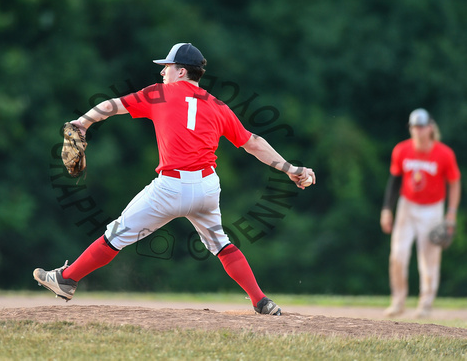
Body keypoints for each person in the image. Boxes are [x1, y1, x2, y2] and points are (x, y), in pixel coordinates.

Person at [34, 43, 315, 315]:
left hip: (170, 188)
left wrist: (82, 122)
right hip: (206, 187)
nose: (162, 72)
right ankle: (261, 301)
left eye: (167, 67)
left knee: (116, 234)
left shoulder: (160, 93)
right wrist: (290, 168)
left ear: (182, 71)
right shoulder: (218, 106)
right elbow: (253, 142)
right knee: (221, 243)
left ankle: (66, 279)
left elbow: (113, 105)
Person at [380, 108, 461, 318]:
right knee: (398, 254)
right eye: (414, 126)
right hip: (407, 206)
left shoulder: (444, 153)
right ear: (410, 128)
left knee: (429, 258)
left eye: (422, 126)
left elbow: (454, 183)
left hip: (433, 208)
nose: (418, 130)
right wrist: (387, 209)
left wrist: (451, 213)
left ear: (430, 127)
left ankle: (425, 303)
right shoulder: (401, 150)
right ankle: (398, 301)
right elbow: (395, 180)